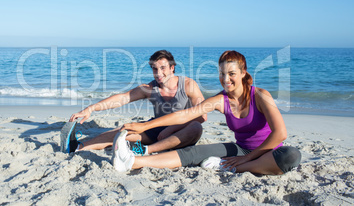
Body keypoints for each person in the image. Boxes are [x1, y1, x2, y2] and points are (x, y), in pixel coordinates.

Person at [113, 50, 301, 175]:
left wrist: (245, 159)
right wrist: (147, 125)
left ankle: (237, 168)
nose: (225, 79)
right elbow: (186, 114)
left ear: (243, 73)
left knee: (292, 155)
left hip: (269, 152)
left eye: (231, 74)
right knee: (193, 152)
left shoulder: (260, 95)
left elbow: (280, 134)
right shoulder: (221, 99)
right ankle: (132, 162)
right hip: (240, 149)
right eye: (221, 74)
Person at [66, 50, 207, 154]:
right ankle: (77, 147)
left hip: (183, 131)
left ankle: (146, 150)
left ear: (172, 68)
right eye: (155, 69)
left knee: (196, 127)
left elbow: (202, 116)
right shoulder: (149, 88)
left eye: (163, 68)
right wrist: (91, 108)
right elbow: (122, 98)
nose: (158, 73)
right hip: (156, 130)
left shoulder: (188, 85)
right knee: (120, 132)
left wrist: (171, 128)